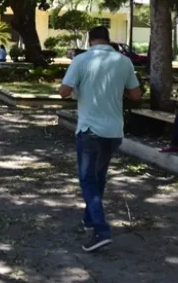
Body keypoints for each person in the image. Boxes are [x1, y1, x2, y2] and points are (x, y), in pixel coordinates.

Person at [59, 26, 142, 252]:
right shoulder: (124, 62)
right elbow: (136, 95)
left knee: (87, 180)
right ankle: (88, 218)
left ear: (90, 40)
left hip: (89, 130)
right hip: (114, 130)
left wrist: (78, 85)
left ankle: (101, 229)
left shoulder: (81, 60)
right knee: (99, 177)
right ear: (108, 39)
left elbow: (63, 91)